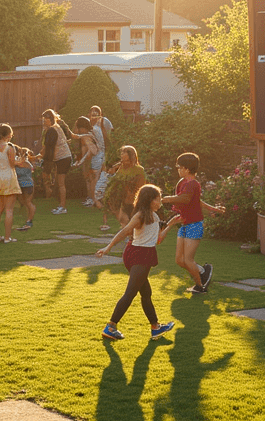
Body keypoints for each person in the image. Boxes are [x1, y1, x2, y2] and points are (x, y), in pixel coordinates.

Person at [96, 184, 174, 341]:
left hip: (141, 254)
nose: (160, 202)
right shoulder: (140, 216)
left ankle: (155, 327)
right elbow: (125, 231)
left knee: (146, 293)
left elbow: (158, 240)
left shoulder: (154, 216)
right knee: (131, 293)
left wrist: (171, 224)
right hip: (139, 255)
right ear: (148, 200)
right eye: (157, 200)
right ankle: (111, 326)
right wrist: (108, 247)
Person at [161, 152, 225, 295]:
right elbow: (196, 201)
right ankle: (203, 271)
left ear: (187, 169)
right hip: (184, 224)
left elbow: (184, 199)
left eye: (180, 167)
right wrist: (214, 208)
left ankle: (200, 286)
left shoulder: (193, 184)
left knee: (188, 260)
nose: (178, 169)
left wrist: (165, 199)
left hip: (195, 225)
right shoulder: (182, 183)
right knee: (179, 260)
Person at [0, 123, 21, 243]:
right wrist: (20, 161)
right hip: (8, 177)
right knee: (9, 210)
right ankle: (7, 237)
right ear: (8, 135)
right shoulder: (9, 148)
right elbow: (12, 164)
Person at [102, 146, 146, 230]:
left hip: (135, 202)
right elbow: (115, 181)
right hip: (123, 200)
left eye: (124, 153)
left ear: (130, 155)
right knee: (123, 220)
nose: (121, 155)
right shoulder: (121, 168)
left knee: (134, 223)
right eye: (121, 153)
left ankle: (131, 238)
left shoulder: (139, 170)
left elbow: (141, 186)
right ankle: (128, 238)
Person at [39, 109, 73, 214]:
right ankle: (60, 205)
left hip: (63, 158)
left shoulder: (52, 130)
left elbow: (50, 148)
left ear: (51, 119)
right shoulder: (56, 127)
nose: (44, 121)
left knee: (61, 184)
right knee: (58, 183)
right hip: (64, 157)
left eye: (46, 119)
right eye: (43, 119)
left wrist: (41, 157)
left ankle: (63, 207)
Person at [70, 116, 100, 206]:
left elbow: (91, 151)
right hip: (86, 160)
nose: (77, 129)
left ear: (83, 128)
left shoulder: (88, 136)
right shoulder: (85, 136)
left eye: (78, 127)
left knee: (91, 180)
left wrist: (82, 161)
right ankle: (90, 197)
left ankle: (92, 199)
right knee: (88, 180)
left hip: (91, 161)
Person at [13, 145, 37, 231]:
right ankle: (26, 219)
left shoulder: (26, 163)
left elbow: (19, 164)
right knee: (22, 201)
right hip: (20, 185)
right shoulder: (18, 162)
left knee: (28, 202)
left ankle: (29, 221)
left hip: (27, 185)